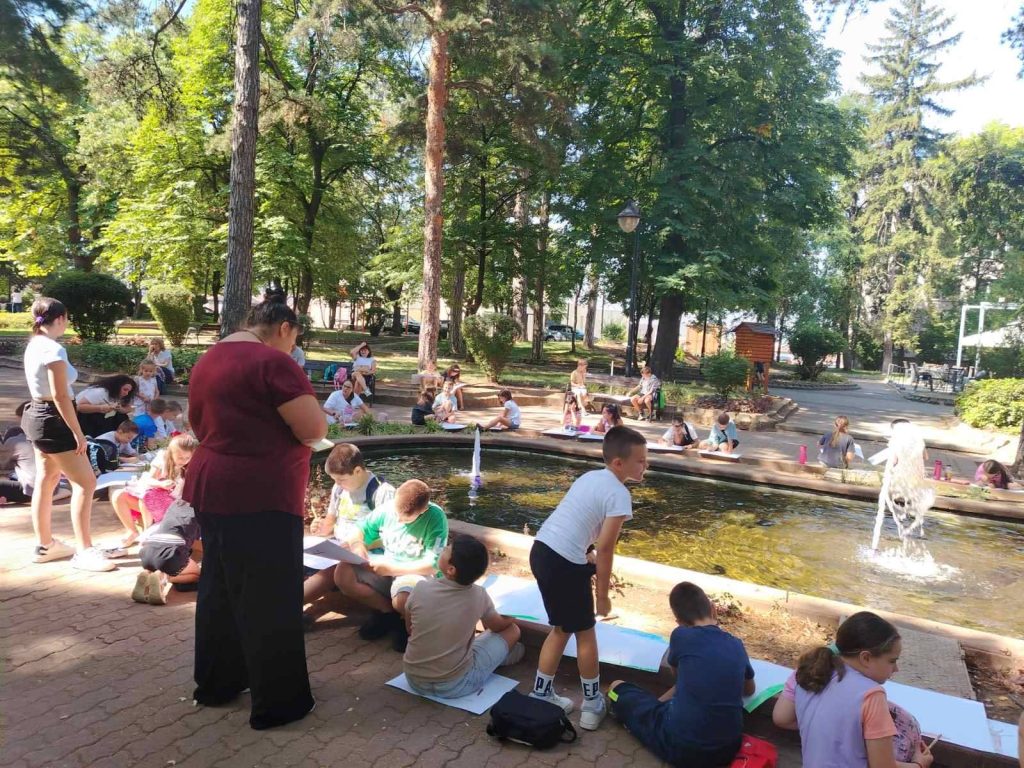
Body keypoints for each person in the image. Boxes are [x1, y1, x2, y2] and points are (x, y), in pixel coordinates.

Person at [183, 297, 326, 730]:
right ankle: (279, 703)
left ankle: (217, 683)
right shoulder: (272, 363)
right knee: (271, 596)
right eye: (294, 337)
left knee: (220, 587)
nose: (293, 346)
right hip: (260, 492)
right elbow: (314, 429)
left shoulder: (209, 358)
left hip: (212, 484)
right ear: (284, 327)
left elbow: (198, 423)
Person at [529, 426, 648, 729]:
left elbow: (576, 522)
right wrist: (602, 596)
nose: (645, 465)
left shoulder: (590, 477)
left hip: (542, 552)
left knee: (561, 628)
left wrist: (587, 552)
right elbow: (606, 548)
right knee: (585, 633)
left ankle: (541, 694)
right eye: (640, 461)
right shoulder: (619, 494)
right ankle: (592, 705)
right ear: (619, 463)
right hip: (564, 563)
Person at [608, 582, 755, 766]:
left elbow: (679, 678)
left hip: (681, 748)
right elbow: (749, 689)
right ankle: (653, 711)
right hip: (727, 750)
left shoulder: (681, 636)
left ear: (679, 622)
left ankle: (628, 709)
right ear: (713, 609)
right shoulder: (736, 644)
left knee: (616, 687)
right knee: (661, 708)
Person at [21, 297, 114, 571]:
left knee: (47, 479)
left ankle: (45, 545)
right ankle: (84, 551)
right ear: (60, 318)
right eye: (67, 318)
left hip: (38, 416)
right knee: (86, 483)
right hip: (54, 419)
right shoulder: (54, 349)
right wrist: (78, 433)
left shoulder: (35, 344)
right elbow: (60, 395)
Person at [773, 612, 933, 768]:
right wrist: (919, 764)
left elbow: (781, 718)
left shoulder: (809, 671)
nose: (896, 669)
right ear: (866, 658)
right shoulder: (871, 695)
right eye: (892, 661)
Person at [305, 479, 448, 653]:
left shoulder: (436, 517)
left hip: (413, 572)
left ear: (423, 511)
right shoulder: (388, 508)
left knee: (403, 600)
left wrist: (392, 569)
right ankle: (387, 613)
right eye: (397, 514)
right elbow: (360, 529)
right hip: (385, 566)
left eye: (405, 519)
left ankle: (408, 625)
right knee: (343, 573)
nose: (398, 520)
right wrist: (358, 545)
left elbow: (433, 565)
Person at [403, 534, 525, 698]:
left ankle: (498, 655)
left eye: (446, 549)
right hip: (457, 685)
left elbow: (410, 628)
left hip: (414, 680)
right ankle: (504, 656)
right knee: (513, 631)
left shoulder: (421, 589)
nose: (443, 549)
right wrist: (512, 616)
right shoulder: (478, 595)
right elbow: (497, 626)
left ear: (451, 569)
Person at [308, 443, 396, 541]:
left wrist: (361, 545)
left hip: (367, 548)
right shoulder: (339, 489)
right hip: (340, 544)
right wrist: (321, 528)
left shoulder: (382, 492)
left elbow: (392, 536)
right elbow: (330, 521)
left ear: (358, 471)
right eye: (334, 479)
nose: (337, 483)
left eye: (341, 479)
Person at [132, 498, 202, 606]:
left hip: (148, 550)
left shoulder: (176, 504)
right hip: (170, 554)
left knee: (165, 561)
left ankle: (147, 574)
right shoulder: (201, 509)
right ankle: (164, 577)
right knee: (197, 575)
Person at [0, 402, 71, 505]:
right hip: (53, 486)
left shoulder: (16, 441)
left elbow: (3, 465)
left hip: (32, 490)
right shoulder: (50, 438)